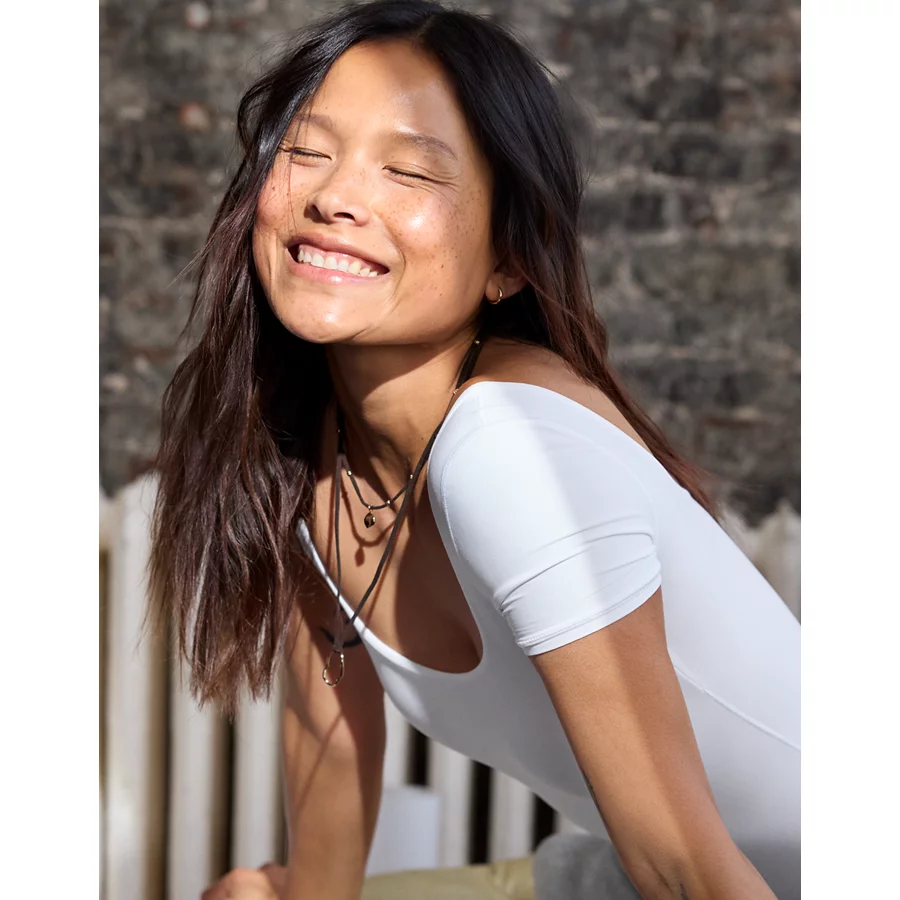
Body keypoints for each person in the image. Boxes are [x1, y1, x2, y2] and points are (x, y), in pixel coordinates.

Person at [148, 2, 800, 898]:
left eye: (409, 171)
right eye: (306, 150)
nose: (336, 197)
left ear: (508, 260)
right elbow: (327, 749)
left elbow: (688, 869)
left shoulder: (509, 451)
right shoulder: (310, 452)